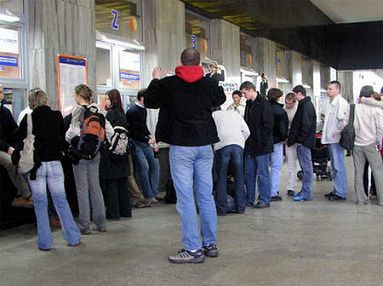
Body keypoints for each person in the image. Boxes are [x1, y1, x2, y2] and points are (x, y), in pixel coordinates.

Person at [145, 48, 226, 263]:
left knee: (186, 198)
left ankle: (192, 249)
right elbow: (221, 97)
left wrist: (155, 80)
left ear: (181, 61)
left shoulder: (168, 84)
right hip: (205, 145)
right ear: (199, 62)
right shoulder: (208, 83)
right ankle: (210, 244)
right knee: (206, 196)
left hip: (181, 146)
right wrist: (212, 78)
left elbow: (149, 101)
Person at [12, 88, 80, 251]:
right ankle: (72, 237)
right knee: (61, 201)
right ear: (46, 100)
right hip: (56, 164)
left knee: (41, 203)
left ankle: (45, 242)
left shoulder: (29, 117)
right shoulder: (57, 116)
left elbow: (15, 136)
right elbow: (63, 139)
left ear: (32, 102)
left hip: (37, 166)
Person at [65, 84, 113, 235]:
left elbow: (70, 134)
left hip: (80, 156)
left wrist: (73, 143)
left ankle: (85, 225)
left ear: (79, 96)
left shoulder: (77, 111)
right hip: (95, 154)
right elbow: (109, 132)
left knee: (82, 189)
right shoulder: (99, 111)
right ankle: (101, 223)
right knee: (95, 187)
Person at [241, 81, 274, 208]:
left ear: (251, 90)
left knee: (262, 173)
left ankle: (265, 199)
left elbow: (268, 126)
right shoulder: (249, 104)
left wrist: (262, 142)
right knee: (249, 173)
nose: (244, 95)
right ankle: (249, 199)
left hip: (261, 146)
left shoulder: (264, 104)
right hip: (250, 145)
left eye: (244, 93)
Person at [100, 89, 132, 220]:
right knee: (123, 183)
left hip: (111, 153)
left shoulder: (110, 115)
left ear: (113, 100)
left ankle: (113, 213)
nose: (106, 102)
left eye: (107, 99)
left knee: (112, 184)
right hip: (123, 153)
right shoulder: (122, 114)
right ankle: (125, 211)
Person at [0, 84, 33, 208]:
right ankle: (27, 195)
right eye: (0, 92)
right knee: (11, 162)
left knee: (24, 159)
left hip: (6, 146)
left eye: (2, 92)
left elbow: (14, 131)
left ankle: (19, 195)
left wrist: (20, 147)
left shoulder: (5, 111)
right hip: (2, 148)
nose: (2, 95)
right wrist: (9, 148)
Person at [212, 109, 250, 215]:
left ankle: (222, 209)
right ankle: (241, 207)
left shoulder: (214, 115)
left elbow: (209, 131)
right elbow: (247, 131)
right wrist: (240, 141)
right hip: (238, 146)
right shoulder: (236, 114)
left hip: (222, 145)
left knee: (221, 178)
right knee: (239, 177)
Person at [126, 90, 160, 203]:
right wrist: (148, 139)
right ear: (142, 98)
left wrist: (151, 139)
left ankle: (154, 192)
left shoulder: (143, 110)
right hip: (136, 143)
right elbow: (134, 131)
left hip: (145, 142)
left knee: (155, 164)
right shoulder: (132, 112)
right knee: (144, 167)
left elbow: (143, 127)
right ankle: (148, 194)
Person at [353, 86, 383, 205]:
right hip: (371, 143)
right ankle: (382, 200)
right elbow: (380, 128)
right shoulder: (376, 110)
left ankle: (361, 199)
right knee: (378, 171)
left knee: (359, 172)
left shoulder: (355, 109)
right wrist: (379, 143)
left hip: (357, 144)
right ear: (371, 96)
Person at [287, 85, 316, 202]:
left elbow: (305, 125)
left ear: (299, 93)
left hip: (304, 143)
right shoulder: (304, 105)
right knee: (305, 168)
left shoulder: (306, 106)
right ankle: (304, 190)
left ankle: (307, 193)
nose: (293, 97)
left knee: (306, 168)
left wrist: (299, 139)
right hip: (303, 141)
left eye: (294, 95)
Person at [322, 81, 350, 201]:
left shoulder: (341, 103)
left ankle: (341, 192)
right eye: (327, 89)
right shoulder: (330, 103)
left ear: (338, 90)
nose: (328, 91)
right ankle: (337, 189)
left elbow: (343, 122)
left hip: (337, 139)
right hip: (330, 139)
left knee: (338, 165)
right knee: (334, 166)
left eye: (330, 89)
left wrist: (336, 132)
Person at [267, 88, 288, 201]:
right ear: (278, 98)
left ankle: (263, 191)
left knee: (264, 168)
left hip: (264, 143)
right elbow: (283, 129)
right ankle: (273, 192)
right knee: (276, 167)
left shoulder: (263, 108)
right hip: (277, 143)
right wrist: (284, 138)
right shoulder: (281, 111)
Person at [284, 93, 299, 196]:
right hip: (289, 140)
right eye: (286, 103)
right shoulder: (284, 109)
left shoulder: (299, 109)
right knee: (291, 164)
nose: (288, 105)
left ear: (295, 102)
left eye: (290, 104)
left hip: (299, 138)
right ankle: (291, 187)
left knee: (303, 164)